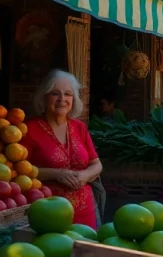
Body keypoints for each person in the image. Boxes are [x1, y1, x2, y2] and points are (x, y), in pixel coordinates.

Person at [21, 70, 103, 228]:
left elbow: (97, 164)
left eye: (68, 94)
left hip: (86, 212)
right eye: (55, 94)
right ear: (44, 97)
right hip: (48, 213)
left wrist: (85, 175)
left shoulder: (79, 127)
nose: (62, 99)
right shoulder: (29, 129)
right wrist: (56, 174)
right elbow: (20, 171)